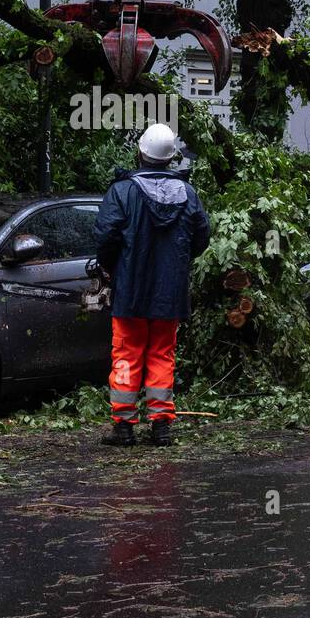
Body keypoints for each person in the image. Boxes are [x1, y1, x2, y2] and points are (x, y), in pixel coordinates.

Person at [93, 122, 210, 447]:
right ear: (171, 158)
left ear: (140, 152)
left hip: (130, 290)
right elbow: (202, 237)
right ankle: (161, 426)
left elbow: (105, 237)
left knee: (127, 355)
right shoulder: (187, 194)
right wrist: (178, 263)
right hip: (169, 293)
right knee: (161, 354)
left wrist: (112, 266)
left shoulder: (123, 191)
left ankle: (125, 427)